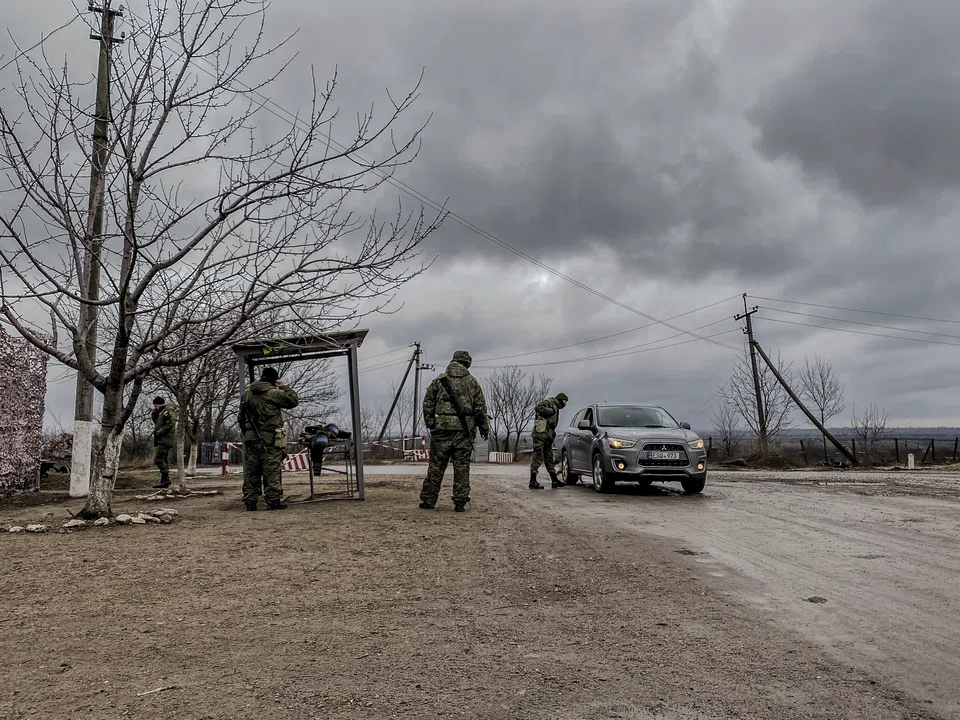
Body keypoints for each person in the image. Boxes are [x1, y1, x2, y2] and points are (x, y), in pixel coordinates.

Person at [419, 350, 490, 512]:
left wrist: (431, 423)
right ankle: (460, 502)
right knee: (462, 466)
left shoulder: (439, 381)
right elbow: (480, 409)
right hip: (463, 431)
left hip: (441, 428)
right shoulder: (472, 382)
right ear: (467, 364)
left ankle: (428, 500)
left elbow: (427, 403)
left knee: (436, 466)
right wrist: (484, 428)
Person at [238, 367, 300, 511]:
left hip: (251, 437)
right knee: (271, 468)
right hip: (270, 437)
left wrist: (247, 432)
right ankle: (273, 500)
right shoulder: (273, 393)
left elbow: (240, 418)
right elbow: (293, 401)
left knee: (251, 469)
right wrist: (284, 387)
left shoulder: (246, 395)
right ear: (274, 379)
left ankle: (250, 501)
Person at [529, 392, 569, 490]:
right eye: (564, 401)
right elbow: (538, 407)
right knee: (538, 456)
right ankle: (532, 481)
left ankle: (554, 480)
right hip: (541, 434)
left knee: (549, 457)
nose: (565, 404)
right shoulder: (550, 402)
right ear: (560, 400)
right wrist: (550, 411)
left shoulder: (555, 406)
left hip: (548, 436)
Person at [151, 396, 177, 489]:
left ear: (157, 404)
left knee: (158, 460)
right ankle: (164, 481)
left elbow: (171, 422)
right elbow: (157, 422)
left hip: (165, 439)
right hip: (163, 439)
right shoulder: (162, 412)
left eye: (155, 406)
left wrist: (160, 432)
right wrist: (154, 414)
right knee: (164, 460)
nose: (154, 407)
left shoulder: (168, 410)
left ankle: (166, 479)